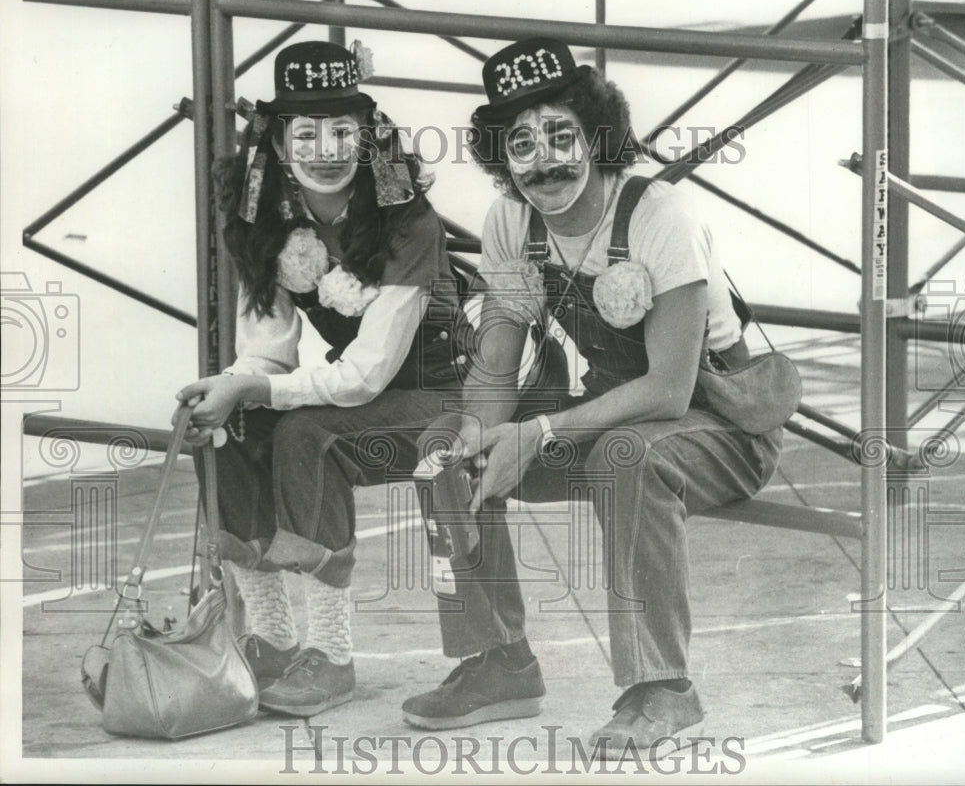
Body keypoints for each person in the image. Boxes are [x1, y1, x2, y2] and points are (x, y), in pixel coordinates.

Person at [401, 38, 782, 756]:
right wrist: (479, 438)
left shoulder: (658, 215)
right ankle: (500, 660)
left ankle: (661, 686)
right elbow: (496, 367)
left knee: (627, 453)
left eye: (561, 135)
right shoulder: (512, 223)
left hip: (722, 426)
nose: (543, 160)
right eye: (520, 142)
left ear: (599, 135)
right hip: (609, 415)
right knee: (441, 445)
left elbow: (670, 390)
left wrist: (538, 434)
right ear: (500, 156)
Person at [175, 40, 471, 718]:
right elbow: (270, 354)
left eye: (344, 129)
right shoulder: (269, 219)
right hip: (365, 395)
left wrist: (256, 389)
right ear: (278, 144)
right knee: (231, 426)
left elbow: (365, 376)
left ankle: (332, 655)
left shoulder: (408, 219)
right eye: (306, 132)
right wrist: (225, 389)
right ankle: (274, 638)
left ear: (369, 138)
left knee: (308, 433)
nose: (327, 147)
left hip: (447, 393)